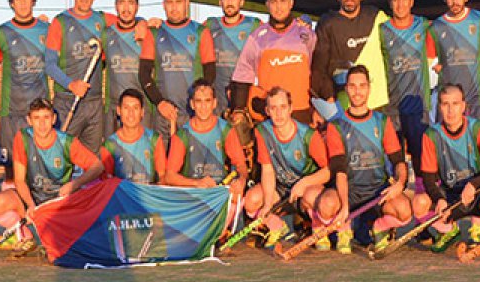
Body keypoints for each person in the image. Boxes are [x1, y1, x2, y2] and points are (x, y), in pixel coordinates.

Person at [0, 98, 105, 252]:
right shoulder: (23, 138)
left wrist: (74, 184)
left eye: (46, 117)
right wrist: (30, 205)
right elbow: (19, 180)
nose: (42, 124)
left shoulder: (67, 142)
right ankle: (25, 236)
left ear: (54, 119)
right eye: (37, 118)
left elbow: (97, 166)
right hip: (33, 197)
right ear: (29, 120)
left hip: (59, 201)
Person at [416, 84, 480, 253]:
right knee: (418, 203)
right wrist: (439, 199)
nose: (450, 110)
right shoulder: (431, 135)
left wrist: (474, 185)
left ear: (463, 106)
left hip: (478, 196)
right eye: (445, 104)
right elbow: (428, 177)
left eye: (455, 104)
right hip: (451, 197)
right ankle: (449, 231)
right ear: (439, 107)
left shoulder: (478, 128)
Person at [240, 87, 344, 250]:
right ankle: (277, 226)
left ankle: (318, 227)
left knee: (311, 196)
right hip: (280, 188)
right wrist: (267, 204)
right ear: (267, 110)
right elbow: (267, 169)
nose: (278, 113)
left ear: (290, 108)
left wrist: (304, 183)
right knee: (251, 201)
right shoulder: (263, 131)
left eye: (282, 107)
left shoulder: (308, 135)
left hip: (308, 188)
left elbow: (329, 171)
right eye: (273, 108)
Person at [332, 65, 411, 255]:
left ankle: (379, 226)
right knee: (327, 205)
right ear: (346, 89)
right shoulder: (336, 125)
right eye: (352, 86)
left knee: (404, 211)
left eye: (362, 86)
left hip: (378, 192)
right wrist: (343, 206)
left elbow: (398, 161)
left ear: (369, 88)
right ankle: (345, 228)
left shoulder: (382, 121)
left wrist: (400, 184)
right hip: (349, 193)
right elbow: (340, 171)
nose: (357, 91)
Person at [139, 0, 216, 143]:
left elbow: (210, 73)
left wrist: (198, 104)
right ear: (164, 5)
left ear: (187, 3)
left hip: (192, 113)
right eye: (170, 2)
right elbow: (144, 74)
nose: (174, 7)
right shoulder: (153, 33)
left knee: (191, 163)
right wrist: (160, 103)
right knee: (164, 165)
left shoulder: (200, 32)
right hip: (164, 113)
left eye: (178, 2)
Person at [229, 0, 317, 124]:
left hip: (302, 114)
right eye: (273, 2)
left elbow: (318, 72)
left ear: (291, 3)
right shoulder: (257, 37)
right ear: (267, 5)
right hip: (270, 116)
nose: (278, 7)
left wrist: (318, 109)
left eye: (283, 1)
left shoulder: (307, 36)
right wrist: (239, 109)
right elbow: (243, 75)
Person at [165, 80, 249, 224]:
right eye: (199, 101)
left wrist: (240, 180)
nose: (203, 107)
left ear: (214, 103)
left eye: (207, 101)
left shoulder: (225, 130)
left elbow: (241, 165)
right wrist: (196, 183)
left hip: (219, 191)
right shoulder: (183, 134)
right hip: (194, 193)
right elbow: (169, 176)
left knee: (237, 194)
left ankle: (222, 232)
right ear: (192, 104)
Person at [0, 0, 50, 179]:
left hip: (40, 113)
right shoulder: (1, 33)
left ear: (34, 1)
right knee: (10, 170)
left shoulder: (46, 30)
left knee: (40, 167)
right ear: (11, 3)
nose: (23, 2)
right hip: (12, 112)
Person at [46, 0, 112, 151]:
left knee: (92, 163)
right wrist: (70, 84)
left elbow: (128, 21)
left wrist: (144, 23)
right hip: (67, 101)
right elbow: (49, 65)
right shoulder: (60, 22)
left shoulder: (103, 20)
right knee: (63, 156)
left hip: (94, 103)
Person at [311, 0, 388, 111]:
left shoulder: (376, 17)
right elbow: (319, 68)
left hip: (378, 106)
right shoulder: (327, 24)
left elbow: (402, 33)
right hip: (345, 106)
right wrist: (328, 98)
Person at [380, 0, 434, 173]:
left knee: (422, 159)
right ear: (390, 3)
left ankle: (423, 198)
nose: (400, 4)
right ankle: (396, 199)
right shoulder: (382, 30)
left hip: (418, 107)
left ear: (411, 1)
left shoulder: (424, 25)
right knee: (395, 161)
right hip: (391, 107)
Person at [430, 0, 480, 125]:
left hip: (476, 101)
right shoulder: (436, 27)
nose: (455, 0)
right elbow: (428, 63)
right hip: (448, 104)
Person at [203, 0, 261, 117]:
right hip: (217, 101)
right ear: (220, 2)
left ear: (241, 2)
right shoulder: (209, 25)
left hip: (244, 100)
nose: (229, 2)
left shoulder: (254, 25)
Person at [103, 0, 152, 138]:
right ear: (116, 6)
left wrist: (145, 22)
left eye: (130, 2)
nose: (126, 8)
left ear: (137, 6)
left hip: (142, 108)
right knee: (114, 158)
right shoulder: (106, 34)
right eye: (122, 2)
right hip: (114, 109)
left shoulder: (148, 33)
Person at [100, 88, 167, 184]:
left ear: (142, 112)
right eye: (126, 108)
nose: (131, 113)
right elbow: (106, 182)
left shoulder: (154, 139)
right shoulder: (110, 145)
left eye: (135, 108)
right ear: (119, 111)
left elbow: (163, 177)